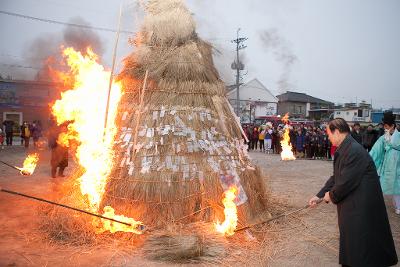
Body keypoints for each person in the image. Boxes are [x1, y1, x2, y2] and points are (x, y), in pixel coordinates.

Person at [309, 118, 398, 267]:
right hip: (354, 203)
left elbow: (344, 182)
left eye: (329, 134)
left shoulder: (353, 151)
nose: (328, 137)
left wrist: (329, 196)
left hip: (362, 206)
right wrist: (319, 195)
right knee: (354, 244)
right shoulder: (345, 148)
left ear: (337, 132)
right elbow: (336, 177)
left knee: (362, 246)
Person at [370, 111, 400, 215]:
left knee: (397, 187)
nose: (385, 128)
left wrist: (391, 144)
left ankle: (398, 206)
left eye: (387, 126)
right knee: (381, 185)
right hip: (387, 166)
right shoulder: (383, 138)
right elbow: (376, 151)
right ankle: (376, 203)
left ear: (392, 126)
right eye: (384, 126)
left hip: (398, 166)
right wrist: (369, 159)